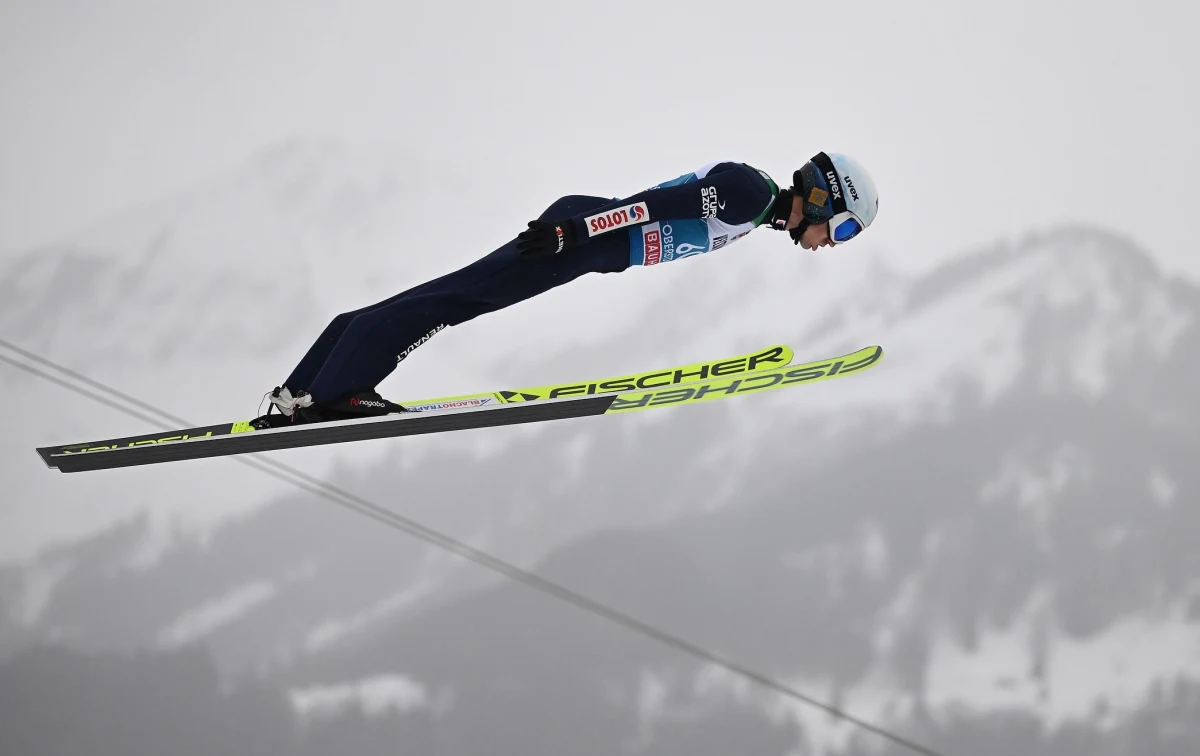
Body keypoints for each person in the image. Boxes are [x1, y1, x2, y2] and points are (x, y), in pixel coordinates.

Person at [252, 152, 880, 428]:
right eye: (843, 227)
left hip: (584, 240)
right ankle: (333, 393)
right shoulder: (750, 193)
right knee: (464, 298)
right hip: (579, 235)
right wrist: (574, 231)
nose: (833, 242)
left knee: (461, 292)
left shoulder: (759, 204)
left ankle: (306, 387)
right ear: (824, 194)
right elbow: (655, 204)